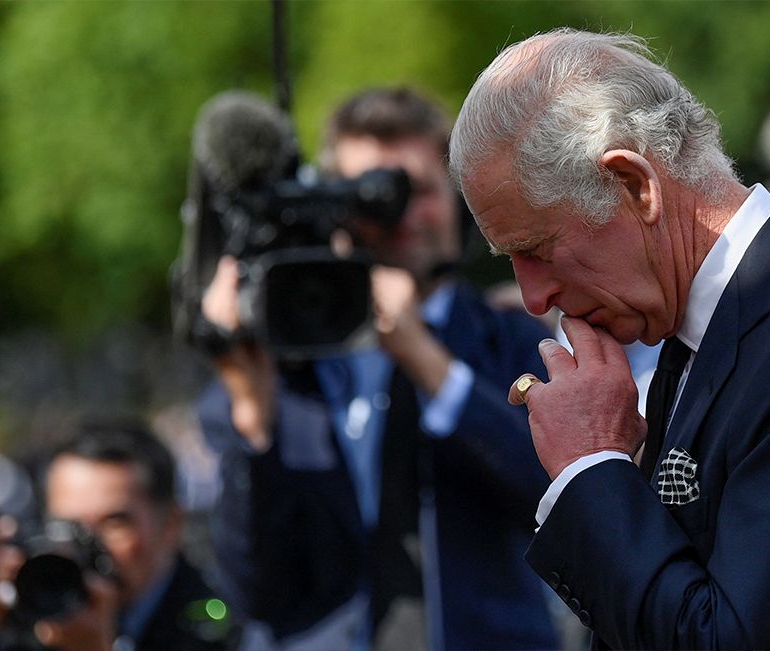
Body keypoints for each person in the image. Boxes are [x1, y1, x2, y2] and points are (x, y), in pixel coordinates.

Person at [450, 27, 770, 650]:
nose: (532, 297)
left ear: (634, 185)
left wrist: (591, 467)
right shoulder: (719, 323)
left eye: (538, 249)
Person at [196, 87, 558, 650]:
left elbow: (553, 502)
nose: (401, 216)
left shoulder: (511, 340)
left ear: (459, 201)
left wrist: (427, 361)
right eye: (369, 195)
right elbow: (255, 590)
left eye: (417, 190)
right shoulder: (285, 364)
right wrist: (252, 412)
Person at [0, 419, 240, 651]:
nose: (88, 545)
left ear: (171, 525)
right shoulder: (34, 611)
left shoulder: (217, 621)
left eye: (113, 523)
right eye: (68, 527)